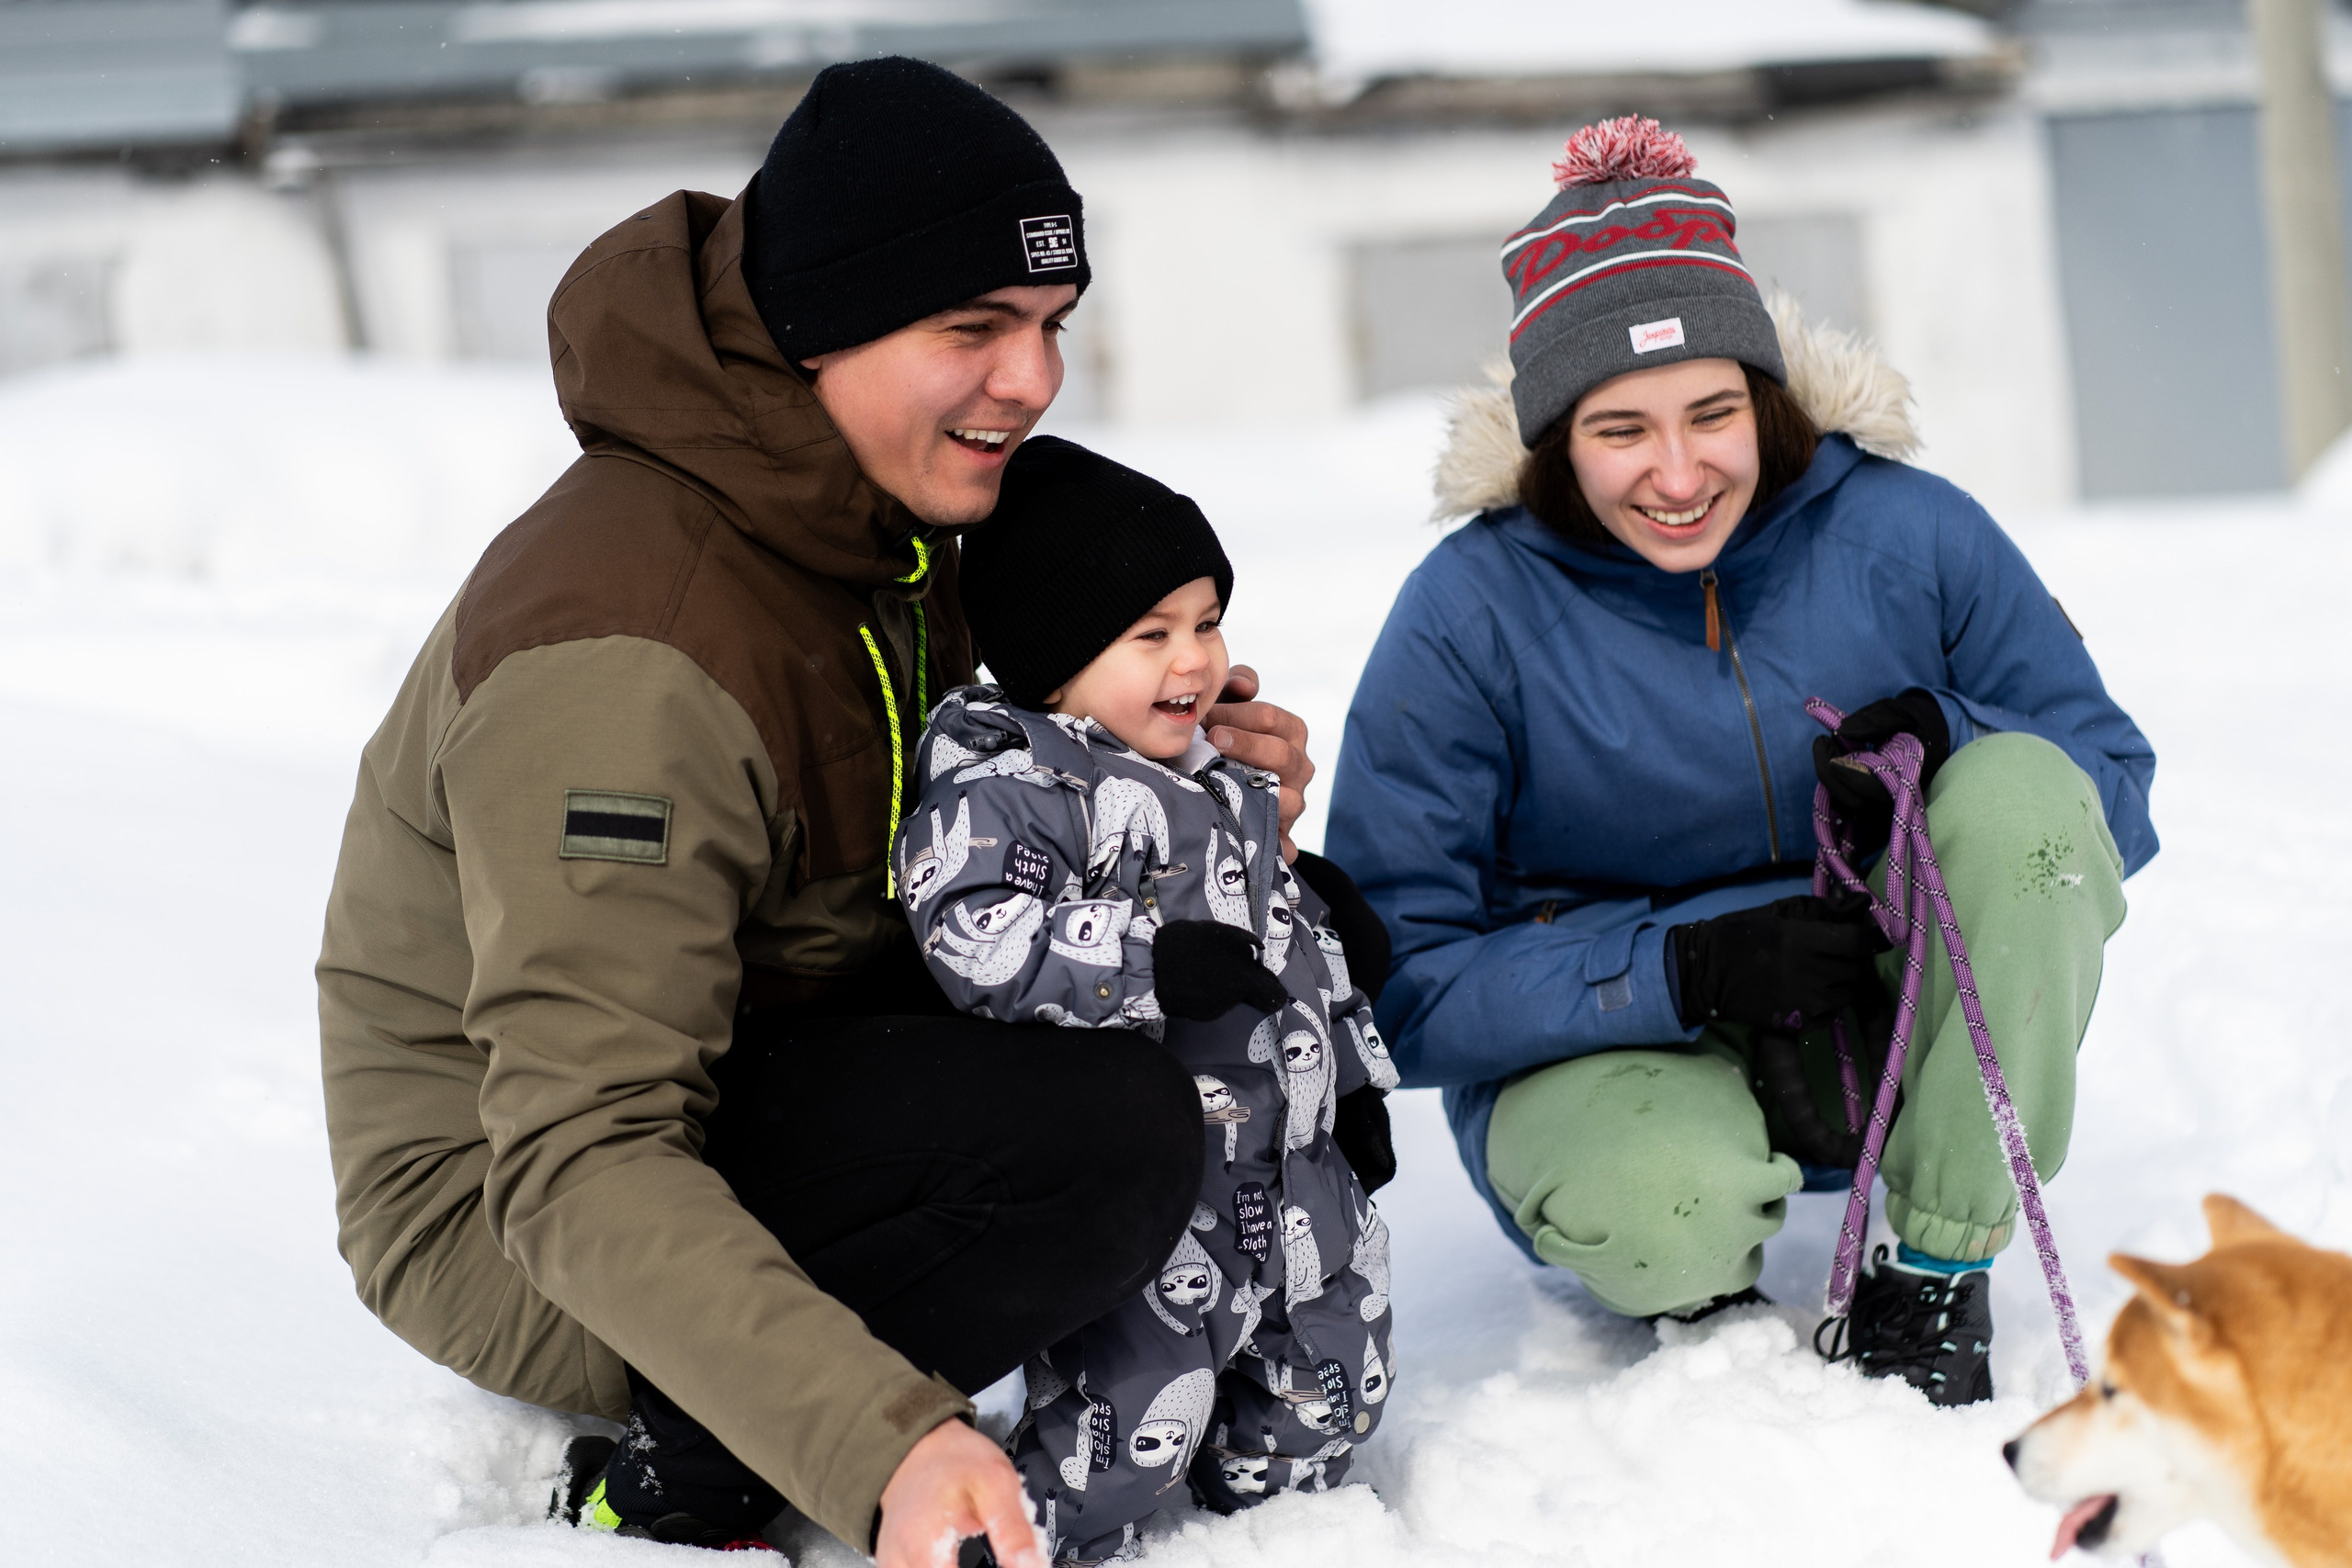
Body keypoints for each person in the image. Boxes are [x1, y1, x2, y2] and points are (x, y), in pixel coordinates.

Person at [314, 58, 1313, 1564]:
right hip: (520, 1212)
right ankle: (689, 1466)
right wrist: (878, 1434)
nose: (1033, 379)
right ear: (816, 329)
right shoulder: (633, 659)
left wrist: (1180, 790)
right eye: (972, 327)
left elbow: (967, 829)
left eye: (1050, 323)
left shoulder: (877, 518)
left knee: (1160, 994)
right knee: (1100, 1136)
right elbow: (581, 1157)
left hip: (762, 1046)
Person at [1324, 118, 2156, 1405]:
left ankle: (1935, 1265)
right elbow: (1398, 979)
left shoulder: (1911, 531)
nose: (1677, 473)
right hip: (1615, 1048)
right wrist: (1680, 964)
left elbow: (2105, 791)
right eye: (1620, 429)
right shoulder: (1466, 615)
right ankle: (1696, 1275)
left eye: (1713, 413)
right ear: (1555, 438)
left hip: (1882, 1008)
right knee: (1662, 1202)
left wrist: (1955, 733)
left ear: (1763, 399)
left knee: (2026, 792)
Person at [890, 437, 1399, 1563]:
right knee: (1130, 1416)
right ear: (1054, 659)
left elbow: (1294, 949)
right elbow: (976, 936)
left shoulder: (1220, 777)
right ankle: (1013, 1537)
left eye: (1207, 622)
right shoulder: (1012, 787)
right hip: (1163, 1192)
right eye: (1150, 635)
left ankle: (1277, 1521)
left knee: (1332, 1379)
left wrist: (1356, 1085)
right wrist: (1146, 960)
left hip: (1294, 1167)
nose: (1194, 660)